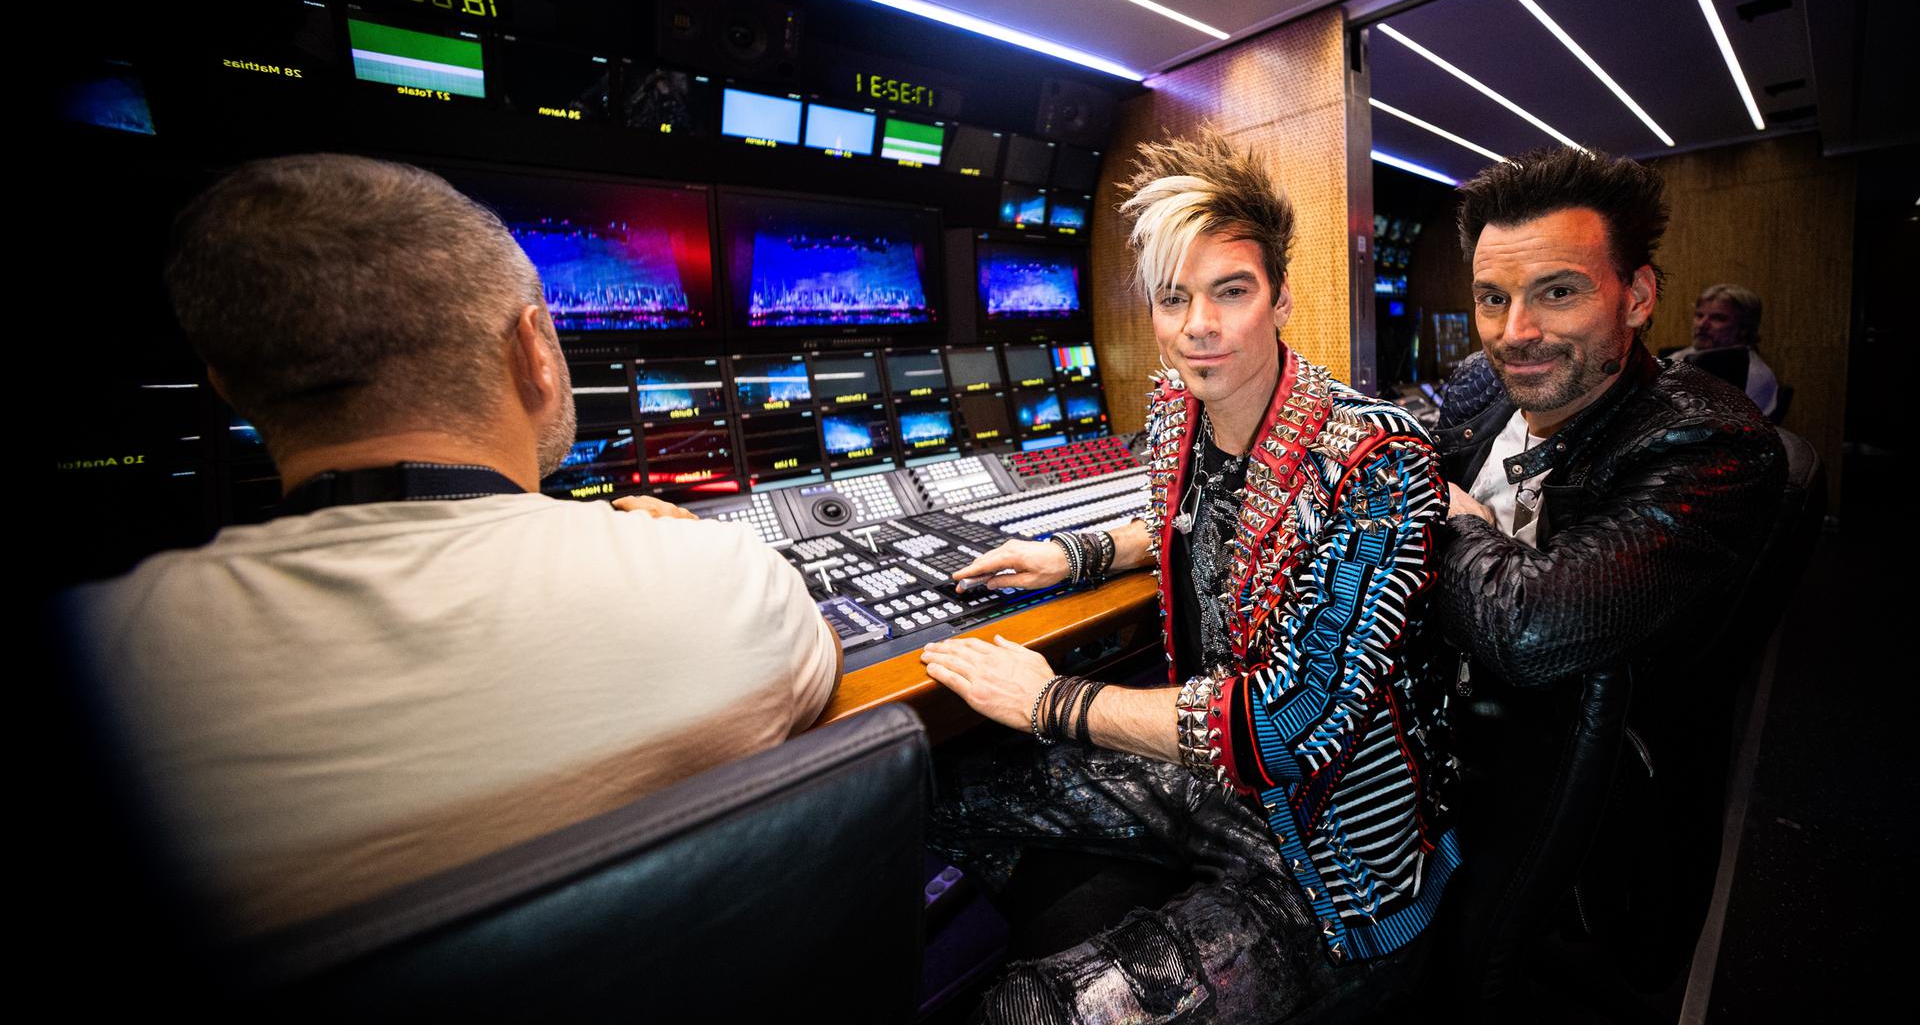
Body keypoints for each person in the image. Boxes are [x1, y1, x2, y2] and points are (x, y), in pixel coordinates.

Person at [58, 154, 839, 937]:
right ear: (535, 349)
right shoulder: (726, 579)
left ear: (225, 385)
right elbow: (824, 656)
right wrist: (689, 553)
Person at [922, 131, 1459, 1022]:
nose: (1199, 324)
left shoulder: (1376, 460)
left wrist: (1052, 701)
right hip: (1214, 783)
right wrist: (1075, 555)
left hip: (1335, 863)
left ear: (1281, 298)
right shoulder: (1182, 407)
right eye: (1175, 298)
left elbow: (1289, 725)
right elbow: (1196, 518)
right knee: (940, 792)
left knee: (1021, 1015)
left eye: (1231, 292)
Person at [1434, 147, 1784, 990]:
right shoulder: (1483, 386)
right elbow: (1400, 447)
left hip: (1570, 832)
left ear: (1637, 296)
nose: (1515, 332)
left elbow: (1533, 629)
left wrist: (1445, 517)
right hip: (1445, 756)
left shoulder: (1710, 443)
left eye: (1559, 291)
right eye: (1493, 297)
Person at [1660, 283, 1781, 418]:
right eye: (1699, 315)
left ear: (1744, 328)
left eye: (1718, 318)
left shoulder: (1754, 375)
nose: (1702, 325)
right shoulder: (1683, 355)